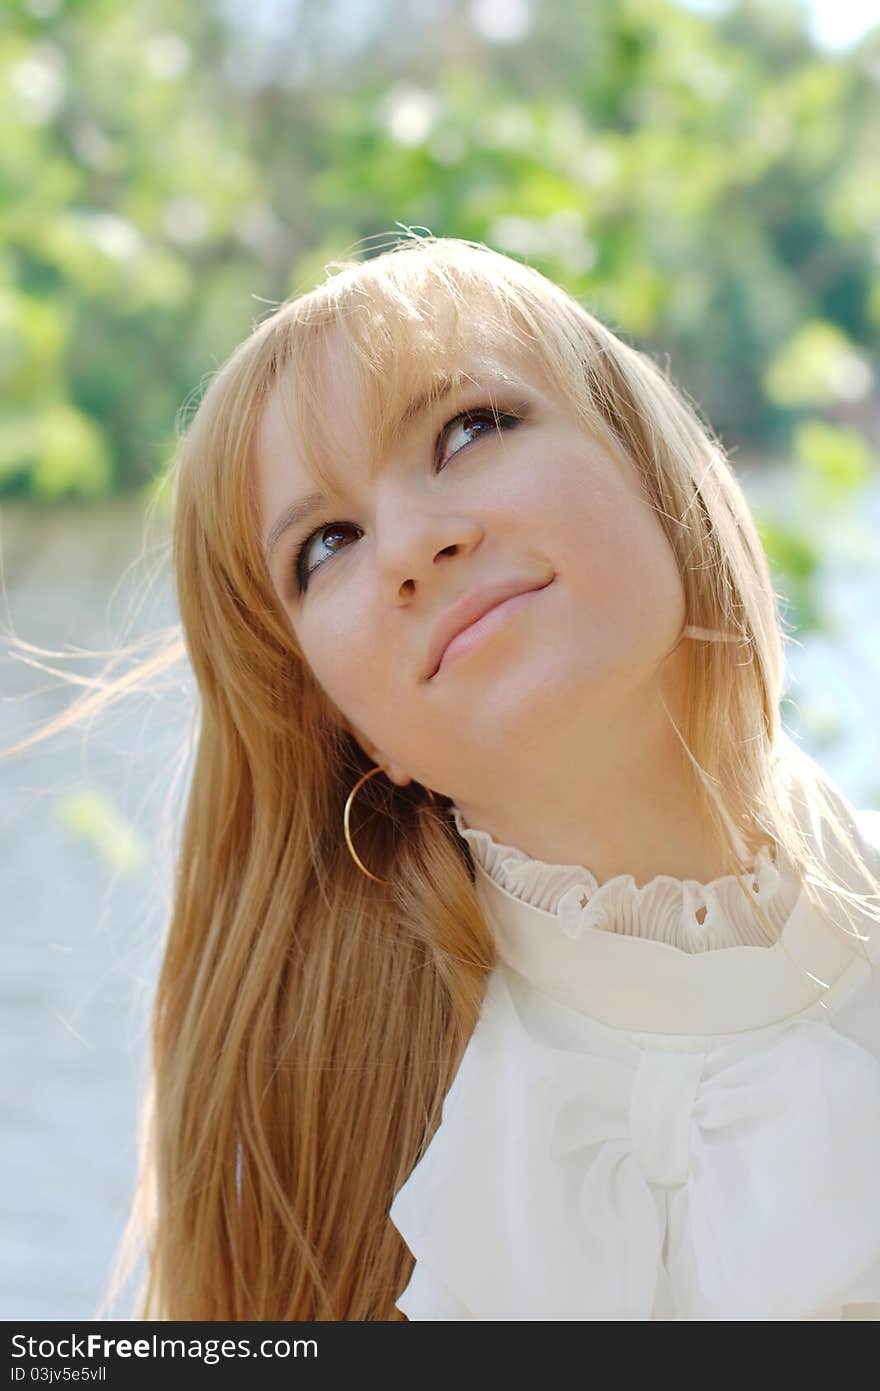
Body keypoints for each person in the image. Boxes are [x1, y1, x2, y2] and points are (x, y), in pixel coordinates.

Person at [13, 233, 880, 1320]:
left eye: (469, 427)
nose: (413, 545)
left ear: (649, 460)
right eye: (326, 543)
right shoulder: (353, 1132)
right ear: (350, 726)